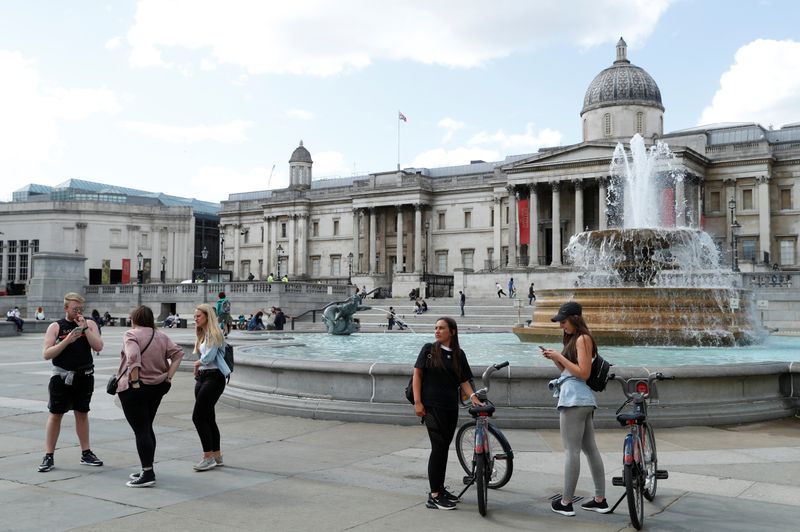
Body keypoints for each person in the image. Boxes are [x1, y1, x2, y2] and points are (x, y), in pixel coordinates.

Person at [541, 301, 609, 516]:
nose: (561, 325)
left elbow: (583, 373)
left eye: (563, 321)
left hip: (574, 400)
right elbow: (569, 371)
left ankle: (566, 502)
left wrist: (559, 356)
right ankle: (600, 499)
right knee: (590, 449)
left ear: (575, 319)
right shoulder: (575, 339)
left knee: (572, 451)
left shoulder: (583, 338)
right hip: (581, 400)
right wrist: (555, 359)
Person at [412, 317, 481, 510]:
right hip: (432, 406)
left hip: (451, 407)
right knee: (438, 447)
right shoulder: (428, 349)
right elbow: (417, 374)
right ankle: (434, 495)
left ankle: (440, 489)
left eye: (441, 328)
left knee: (443, 448)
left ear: (452, 332)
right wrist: (418, 402)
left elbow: (464, 381)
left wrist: (474, 397)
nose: (437, 331)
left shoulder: (459, 354)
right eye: (436, 328)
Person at [115, 305, 184, 487]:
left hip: (135, 388)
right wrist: (168, 376)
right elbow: (178, 354)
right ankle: (148, 467)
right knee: (147, 427)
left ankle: (147, 474)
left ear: (134, 319)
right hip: (158, 386)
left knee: (141, 430)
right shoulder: (160, 335)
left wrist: (136, 381)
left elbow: (132, 357)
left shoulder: (131, 334)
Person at [38, 292, 104, 472]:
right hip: (61, 377)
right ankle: (49, 455)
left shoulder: (89, 323)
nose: (78, 312)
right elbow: (46, 354)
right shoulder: (55, 326)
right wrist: (67, 341)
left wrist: (85, 329)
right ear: (66, 308)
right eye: (75, 309)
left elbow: (98, 346)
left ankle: (86, 452)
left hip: (84, 376)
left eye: (80, 309)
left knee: (82, 413)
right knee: (56, 414)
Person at [191, 303, 231, 472]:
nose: (195, 319)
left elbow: (208, 358)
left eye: (198, 316)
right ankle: (216, 455)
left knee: (198, 417)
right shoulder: (204, 334)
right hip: (203, 377)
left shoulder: (215, 333)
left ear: (207, 316)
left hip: (214, 377)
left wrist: (197, 364)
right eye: (195, 316)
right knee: (208, 418)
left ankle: (208, 457)